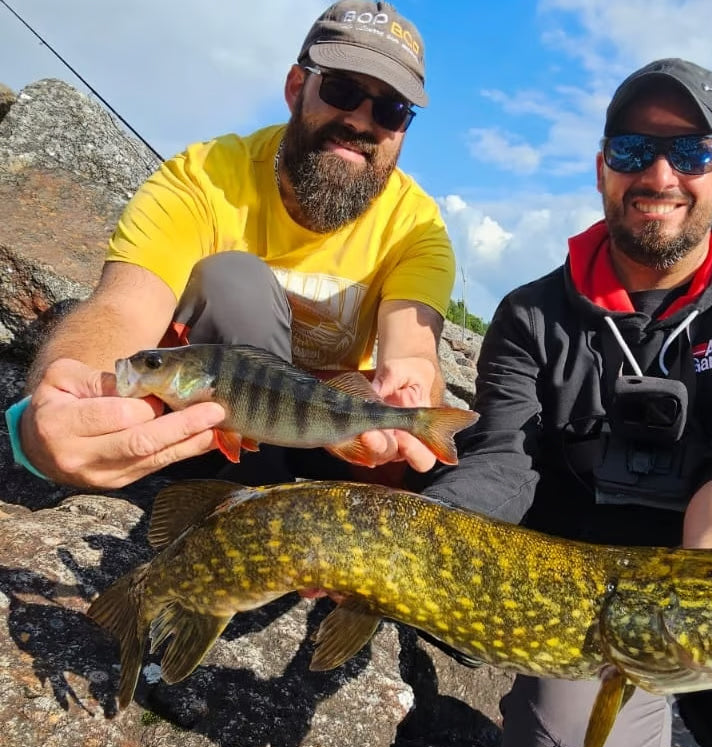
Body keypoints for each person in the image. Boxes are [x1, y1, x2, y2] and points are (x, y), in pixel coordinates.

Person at [424, 58, 712, 747]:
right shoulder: (530, 316)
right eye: (633, 151)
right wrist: (414, 534)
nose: (659, 173)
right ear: (602, 168)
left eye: (689, 152)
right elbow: (502, 461)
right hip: (597, 628)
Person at [4, 0, 456, 490]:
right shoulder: (202, 180)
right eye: (342, 90)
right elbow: (120, 311)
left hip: (336, 443)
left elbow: (413, 348)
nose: (363, 121)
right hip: (210, 440)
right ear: (295, 87)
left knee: (405, 458)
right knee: (233, 280)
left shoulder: (418, 227)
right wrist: (58, 407)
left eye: (390, 110)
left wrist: (413, 384)